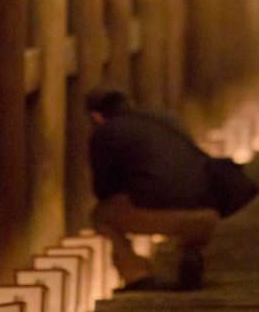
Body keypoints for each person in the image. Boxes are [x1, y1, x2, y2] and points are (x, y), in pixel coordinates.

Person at [87, 90, 220, 291]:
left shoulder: (106, 133)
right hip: (209, 211)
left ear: (96, 116)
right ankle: (194, 252)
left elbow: (104, 190)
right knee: (188, 199)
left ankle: (136, 273)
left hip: (161, 211)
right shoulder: (168, 120)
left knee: (101, 215)